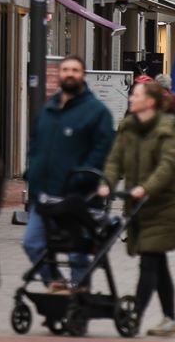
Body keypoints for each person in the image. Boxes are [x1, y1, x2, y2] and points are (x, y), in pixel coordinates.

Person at [99, 79, 175, 338]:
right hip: (136, 204)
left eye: (135, 95)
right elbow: (115, 160)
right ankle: (170, 319)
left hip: (162, 206)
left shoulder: (168, 128)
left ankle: (134, 316)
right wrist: (106, 183)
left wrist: (145, 188)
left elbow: (167, 166)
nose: (131, 98)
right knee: (158, 263)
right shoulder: (127, 127)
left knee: (149, 259)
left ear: (150, 101)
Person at [21, 56, 115, 288]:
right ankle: (54, 281)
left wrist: (83, 178)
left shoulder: (97, 112)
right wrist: (32, 172)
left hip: (78, 197)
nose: (69, 74)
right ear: (59, 74)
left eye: (75, 70)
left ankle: (79, 297)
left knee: (77, 253)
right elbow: (35, 144)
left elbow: (102, 150)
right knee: (32, 243)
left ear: (82, 75)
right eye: (65, 70)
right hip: (45, 195)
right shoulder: (48, 110)